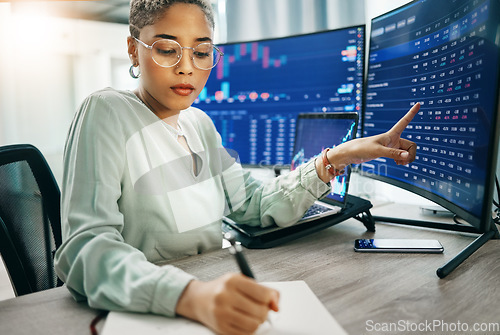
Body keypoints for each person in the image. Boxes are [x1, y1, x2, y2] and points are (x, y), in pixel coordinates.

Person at [54, 1, 420, 334]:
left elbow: (254, 205)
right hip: (153, 311)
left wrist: (335, 157)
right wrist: (191, 297)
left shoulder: (199, 124)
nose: (186, 67)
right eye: (167, 49)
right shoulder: (105, 111)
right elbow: (85, 249)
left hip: (210, 293)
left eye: (201, 52)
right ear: (134, 48)